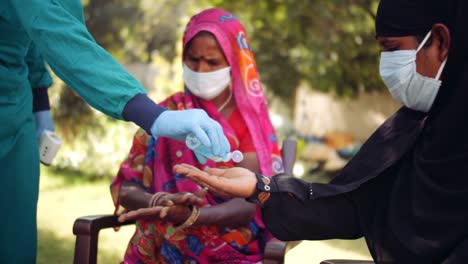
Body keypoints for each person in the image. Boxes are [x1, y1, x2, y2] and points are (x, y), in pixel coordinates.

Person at [174, 1, 468, 263]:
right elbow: (352, 205)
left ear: (440, 41)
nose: (386, 66)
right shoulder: (416, 127)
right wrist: (260, 187)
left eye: (392, 49)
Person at [0, 1, 230, 263]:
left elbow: (32, 33)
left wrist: (39, 100)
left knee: (14, 238)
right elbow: (57, 33)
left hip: (17, 107)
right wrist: (154, 116)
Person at [111, 8, 283, 263]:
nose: (201, 69)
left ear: (233, 63)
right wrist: (162, 202)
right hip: (165, 234)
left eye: (212, 62)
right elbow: (126, 188)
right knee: (161, 236)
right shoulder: (166, 114)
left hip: (231, 244)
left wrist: (193, 217)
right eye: (193, 59)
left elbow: (248, 203)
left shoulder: (250, 123)